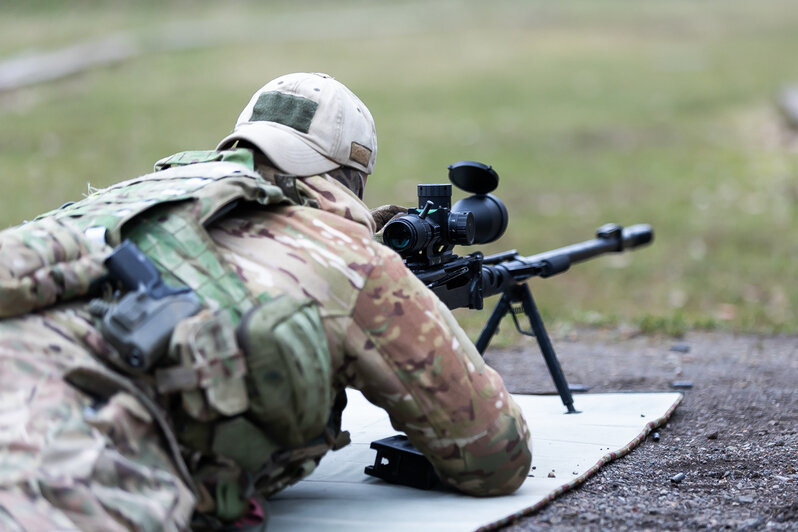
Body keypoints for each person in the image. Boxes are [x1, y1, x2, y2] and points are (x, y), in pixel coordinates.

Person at [0, 72, 531, 530]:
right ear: (352, 176)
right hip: (59, 456)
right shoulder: (345, 255)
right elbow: (492, 455)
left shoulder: (130, 196)